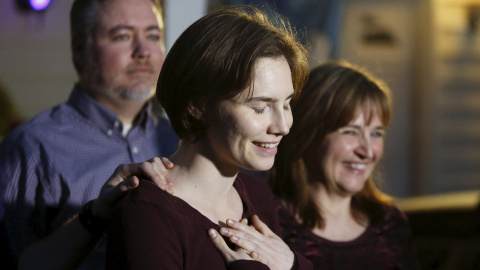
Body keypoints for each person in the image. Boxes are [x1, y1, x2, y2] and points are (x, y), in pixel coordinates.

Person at [106, 5, 312, 270]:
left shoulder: (258, 194)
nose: (283, 126)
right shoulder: (149, 212)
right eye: (260, 108)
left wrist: (292, 264)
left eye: (286, 104)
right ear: (198, 106)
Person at [0, 0, 178, 269]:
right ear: (80, 50)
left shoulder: (180, 140)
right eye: (123, 36)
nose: (144, 51)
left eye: (153, 36)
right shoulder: (30, 148)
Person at [267, 61, 420, 269]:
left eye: (376, 133)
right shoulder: (268, 223)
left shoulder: (390, 224)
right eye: (350, 132)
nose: (367, 151)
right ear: (308, 134)